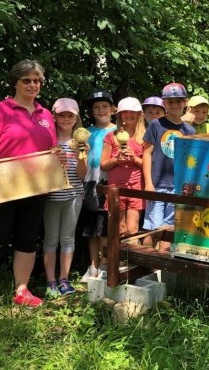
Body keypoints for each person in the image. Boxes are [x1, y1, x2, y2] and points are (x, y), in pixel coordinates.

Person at [0, 60, 58, 327]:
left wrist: (60, 162)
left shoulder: (46, 114)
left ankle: (21, 292)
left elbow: (50, 152)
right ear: (16, 82)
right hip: (2, 190)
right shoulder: (0, 110)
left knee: (27, 241)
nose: (33, 85)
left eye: (37, 81)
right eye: (27, 80)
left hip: (36, 189)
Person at [43, 98, 87, 299]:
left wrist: (81, 155)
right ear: (54, 116)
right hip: (51, 196)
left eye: (70, 115)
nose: (66, 119)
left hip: (74, 196)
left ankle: (64, 279)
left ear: (76, 118)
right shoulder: (47, 140)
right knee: (51, 239)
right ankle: (50, 281)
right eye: (62, 115)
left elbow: (82, 174)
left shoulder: (80, 143)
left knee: (68, 238)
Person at [143, 83, 196, 246]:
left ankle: (162, 269)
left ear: (185, 102)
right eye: (170, 101)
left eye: (178, 101)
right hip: (157, 184)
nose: (175, 105)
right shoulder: (156, 125)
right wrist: (148, 183)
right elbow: (146, 153)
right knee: (152, 229)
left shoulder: (189, 131)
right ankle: (147, 267)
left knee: (169, 230)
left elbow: (191, 161)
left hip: (177, 187)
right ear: (164, 103)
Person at [80, 90, 117, 278]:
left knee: (105, 228)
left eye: (104, 106)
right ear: (91, 111)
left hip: (110, 184)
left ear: (112, 109)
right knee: (91, 228)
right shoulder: (86, 133)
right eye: (96, 107)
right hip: (88, 184)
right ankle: (92, 265)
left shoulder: (119, 132)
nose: (101, 110)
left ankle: (104, 264)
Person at [102, 97, 145, 238]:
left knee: (132, 230)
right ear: (120, 115)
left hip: (137, 187)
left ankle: (130, 259)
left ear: (139, 114)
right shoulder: (111, 136)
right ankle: (117, 260)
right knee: (118, 229)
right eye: (124, 112)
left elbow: (150, 166)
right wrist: (116, 160)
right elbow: (103, 165)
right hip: (115, 188)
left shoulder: (145, 136)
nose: (129, 114)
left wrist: (135, 158)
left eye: (132, 111)